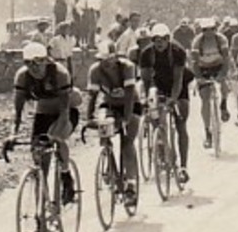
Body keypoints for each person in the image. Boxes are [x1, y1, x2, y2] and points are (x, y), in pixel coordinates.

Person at [12, 41, 78, 200]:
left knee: (56, 138)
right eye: (28, 63)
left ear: (46, 60)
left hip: (65, 111)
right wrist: (12, 134)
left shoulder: (60, 73)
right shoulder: (22, 76)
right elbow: (17, 112)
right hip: (43, 112)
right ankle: (42, 205)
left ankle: (66, 174)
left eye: (37, 63)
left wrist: (54, 137)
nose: (33, 68)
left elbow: (64, 114)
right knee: (40, 159)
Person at [84, 40, 141, 205]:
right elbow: (93, 96)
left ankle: (131, 184)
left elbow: (130, 94)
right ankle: (110, 163)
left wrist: (127, 118)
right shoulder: (95, 70)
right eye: (103, 61)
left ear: (116, 58)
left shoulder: (128, 67)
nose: (107, 65)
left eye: (110, 61)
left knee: (127, 142)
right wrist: (89, 118)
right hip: (109, 105)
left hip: (131, 104)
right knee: (104, 130)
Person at [141, 23, 194, 184]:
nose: (160, 43)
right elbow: (145, 80)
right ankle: (163, 148)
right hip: (159, 83)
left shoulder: (178, 52)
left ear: (168, 39)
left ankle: (183, 166)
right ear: (152, 40)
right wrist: (146, 100)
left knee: (180, 123)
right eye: (156, 40)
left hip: (179, 83)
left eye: (163, 39)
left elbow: (178, 80)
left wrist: (173, 99)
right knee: (156, 116)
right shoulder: (146, 53)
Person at [190, 15, 232, 139]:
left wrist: (222, 74)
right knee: (205, 98)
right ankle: (207, 130)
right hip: (203, 68)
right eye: (205, 30)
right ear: (202, 31)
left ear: (215, 29)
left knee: (224, 84)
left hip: (218, 65)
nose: (208, 32)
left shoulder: (221, 39)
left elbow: (226, 58)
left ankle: (223, 104)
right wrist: (199, 78)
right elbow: (194, 62)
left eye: (211, 29)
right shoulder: (197, 41)